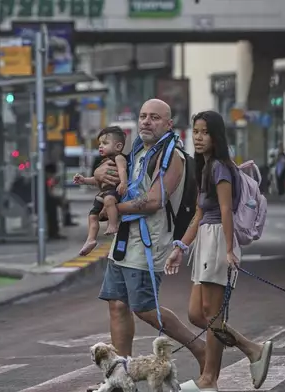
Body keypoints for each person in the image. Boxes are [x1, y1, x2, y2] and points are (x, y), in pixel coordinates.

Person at [87, 99, 206, 392]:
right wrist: (99, 176)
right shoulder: (139, 150)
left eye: (154, 117)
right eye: (142, 116)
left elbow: (154, 201)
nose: (146, 122)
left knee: (145, 309)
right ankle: (119, 378)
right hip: (123, 241)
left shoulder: (172, 155)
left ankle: (201, 349)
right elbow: (111, 172)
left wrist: (112, 209)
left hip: (149, 243)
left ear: (168, 124)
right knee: (117, 305)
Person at [164, 111, 272, 392]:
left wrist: (228, 250)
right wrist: (181, 247)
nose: (198, 138)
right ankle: (251, 349)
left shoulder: (221, 168)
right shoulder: (205, 166)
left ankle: (209, 380)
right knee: (197, 314)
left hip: (217, 242)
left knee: (211, 315)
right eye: (196, 132)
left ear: (216, 136)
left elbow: (225, 210)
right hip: (204, 241)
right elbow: (199, 212)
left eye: (205, 132)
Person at [73, 126, 128, 255]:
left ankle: (113, 224)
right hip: (102, 193)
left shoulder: (119, 158)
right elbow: (97, 180)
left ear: (118, 147)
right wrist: (84, 180)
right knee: (92, 216)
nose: (100, 146)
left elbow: (122, 171)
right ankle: (91, 239)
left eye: (105, 143)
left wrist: (123, 182)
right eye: (99, 144)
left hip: (113, 191)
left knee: (109, 200)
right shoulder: (103, 162)